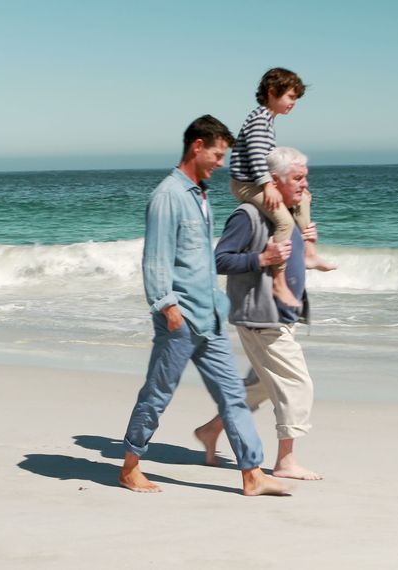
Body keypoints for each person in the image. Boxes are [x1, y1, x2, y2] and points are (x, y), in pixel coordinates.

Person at [119, 115, 289, 497]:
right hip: (179, 319)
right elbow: (156, 259)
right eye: (216, 153)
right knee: (157, 394)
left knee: (232, 396)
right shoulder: (168, 196)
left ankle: (252, 473)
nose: (221, 162)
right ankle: (130, 465)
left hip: (210, 316)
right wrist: (167, 306)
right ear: (198, 147)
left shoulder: (200, 195)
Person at [195, 146, 322, 480]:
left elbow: (294, 257)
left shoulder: (288, 213)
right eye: (297, 178)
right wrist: (261, 260)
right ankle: (286, 462)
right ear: (274, 180)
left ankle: (211, 430)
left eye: (305, 177)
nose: (304, 185)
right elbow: (219, 260)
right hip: (262, 316)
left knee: (261, 386)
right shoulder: (247, 216)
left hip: (281, 314)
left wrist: (306, 239)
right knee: (297, 384)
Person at [229, 67, 335, 310]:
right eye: (290, 97)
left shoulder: (268, 119)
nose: (293, 103)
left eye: (296, 99)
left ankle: (308, 251)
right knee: (285, 222)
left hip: (258, 181)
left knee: (303, 199)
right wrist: (268, 186)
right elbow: (257, 158)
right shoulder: (259, 119)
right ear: (272, 92)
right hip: (247, 184)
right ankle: (279, 281)